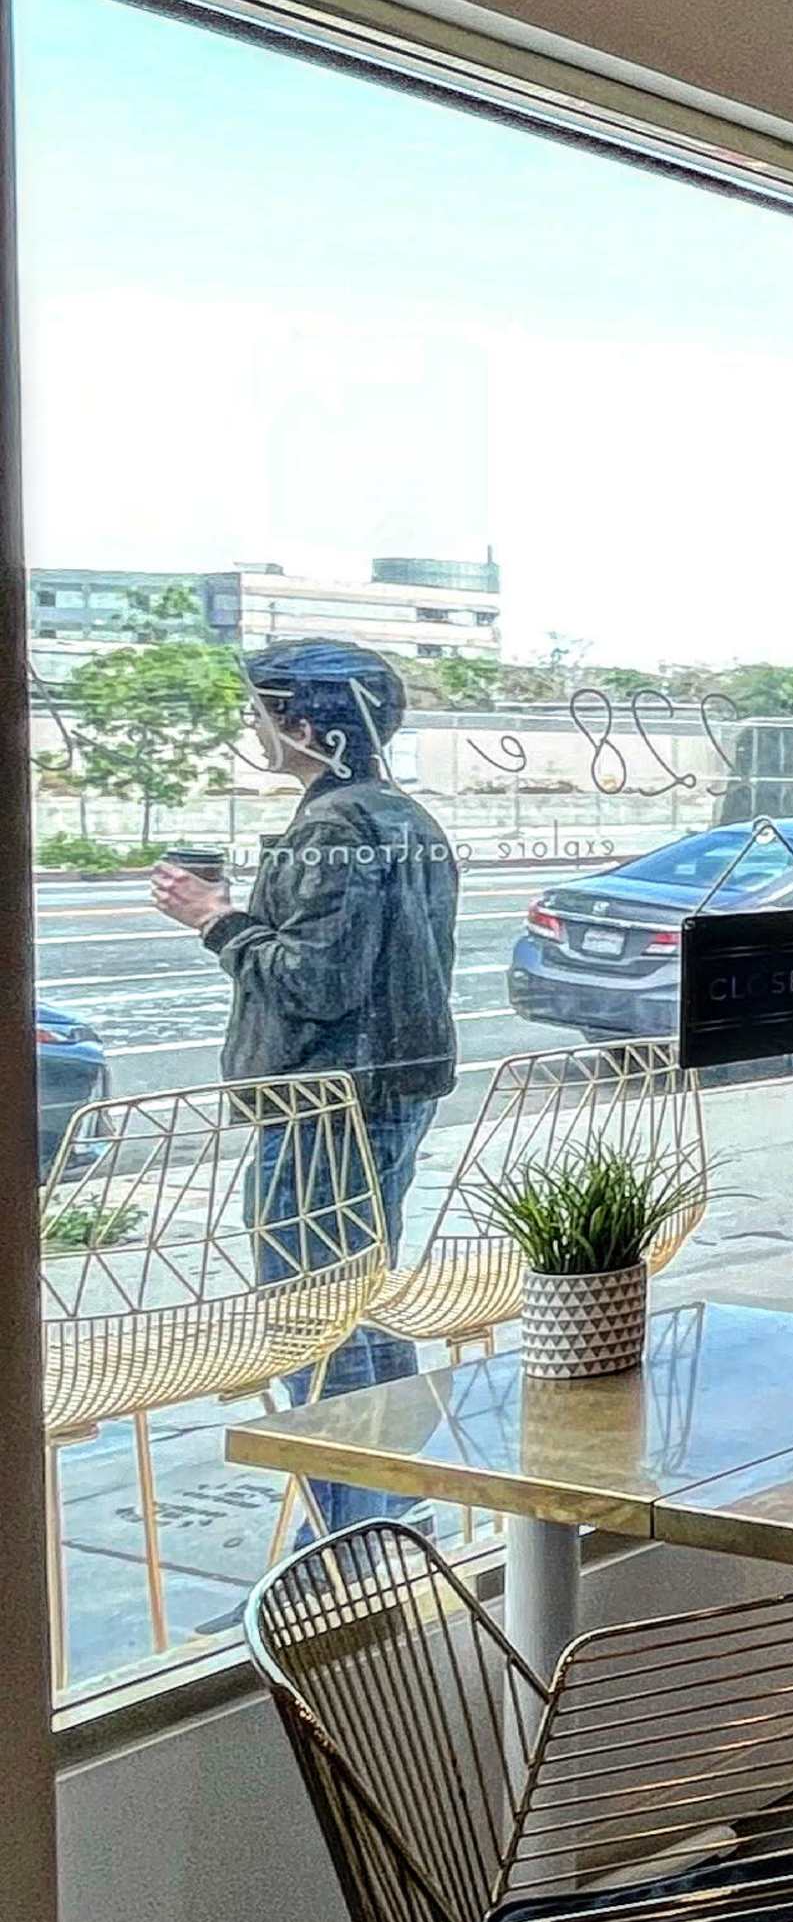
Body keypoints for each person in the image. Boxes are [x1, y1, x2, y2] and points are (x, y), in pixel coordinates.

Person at [152, 638, 461, 1523]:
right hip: (389, 1095)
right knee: (363, 1307)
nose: (253, 727)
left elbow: (313, 982)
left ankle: (350, 1540)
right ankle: (396, 1514)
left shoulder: (332, 826)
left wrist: (217, 919)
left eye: (260, 710)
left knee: (313, 1321)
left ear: (306, 721)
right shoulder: (404, 815)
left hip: (324, 1104)